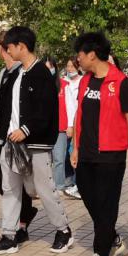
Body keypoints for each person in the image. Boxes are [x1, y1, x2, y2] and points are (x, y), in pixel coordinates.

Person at [0, 27, 73, 256]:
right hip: (11, 143)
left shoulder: (41, 74)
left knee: (44, 189)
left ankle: (63, 231)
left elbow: (46, 110)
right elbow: (6, 105)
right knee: (10, 189)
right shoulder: (17, 74)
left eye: (9, 47)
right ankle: (9, 236)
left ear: (21, 47)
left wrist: (25, 130)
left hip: (36, 144)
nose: (7, 51)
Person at [70, 32, 128, 256]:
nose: (78, 59)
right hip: (86, 152)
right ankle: (111, 238)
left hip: (111, 154)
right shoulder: (85, 81)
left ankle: (101, 254)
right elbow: (79, 114)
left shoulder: (122, 83)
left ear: (92, 54)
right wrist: (76, 147)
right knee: (89, 196)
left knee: (107, 203)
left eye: (80, 54)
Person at [0, 32, 39, 238]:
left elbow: (12, 104)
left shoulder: (21, 72)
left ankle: (20, 225)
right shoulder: (4, 72)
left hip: (14, 134)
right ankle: (24, 212)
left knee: (14, 179)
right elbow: (0, 103)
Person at [54, 58, 81, 198]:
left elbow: (72, 106)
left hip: (76, 123)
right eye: (68, 66)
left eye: (72, 66)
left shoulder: (82, 81)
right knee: (63, 156)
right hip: (66, 123)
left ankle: (77, 183)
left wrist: (71, 124)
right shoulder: (63, 82)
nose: (70, 69)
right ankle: (67, 181)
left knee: (73, 153)